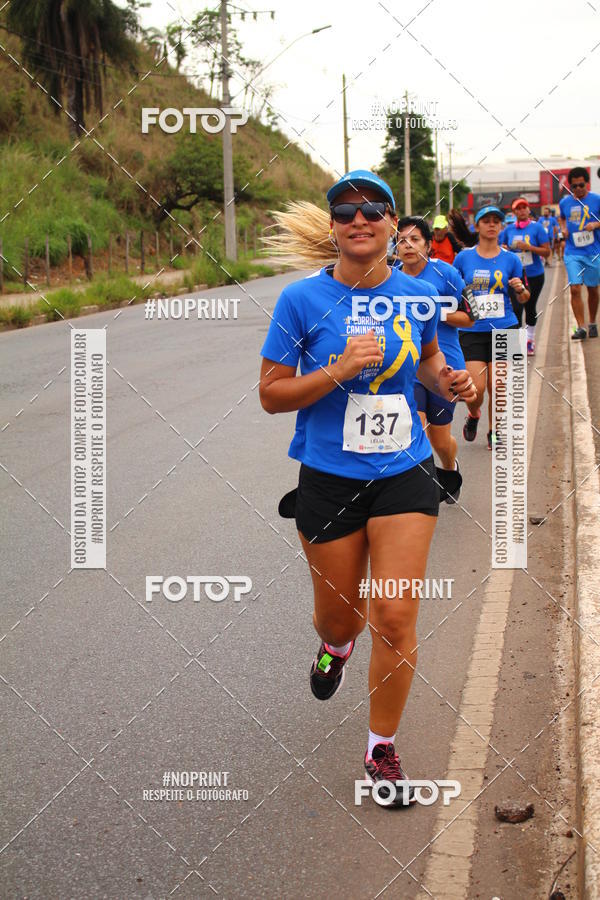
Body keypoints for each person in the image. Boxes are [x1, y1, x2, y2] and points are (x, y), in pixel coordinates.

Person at [259, 170, 476, 807]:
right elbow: (272, 394)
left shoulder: (418, 295)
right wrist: (339, 368)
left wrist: (452, 382)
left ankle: (381, 747)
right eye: (345, 210)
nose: (360, 219)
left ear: (391, 225)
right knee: (343, 615)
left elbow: (429, 363)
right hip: (329, 478)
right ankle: (335, 645)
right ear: (332, 228)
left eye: (373, 209)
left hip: (405, 473)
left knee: (395, 616)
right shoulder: (301, 300)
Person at [393, 216, 476, 501]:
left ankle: (450, 468)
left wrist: (433, 312)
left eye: (414, 239)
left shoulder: (447, 274)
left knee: (440, 440)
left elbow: (471, 317)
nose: (407, 245)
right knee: (414, 428)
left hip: (444, 366)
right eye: (401, 240)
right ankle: (418, 492)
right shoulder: (390, 277)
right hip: (407, 367)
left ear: (428, 245)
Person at [453, 205, 529, 449]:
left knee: (499, 385)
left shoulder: (511, 259)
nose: (492, 224)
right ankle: (473, 414)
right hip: (472, 331)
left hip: (505, 327)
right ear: (477, 226)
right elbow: (453, 291)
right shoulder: (463, 258)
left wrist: (520, 289)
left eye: (496, 220)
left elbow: (525, 297)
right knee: (475, 389)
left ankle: (494, 431)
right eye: (486, 220)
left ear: (501, 226)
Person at [500, 197, 550, 355]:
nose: (522, 211)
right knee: (516, 308)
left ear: (528, 210)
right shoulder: (508, 230)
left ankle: (529, 340)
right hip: (515, 276)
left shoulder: (537, 228)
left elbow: (547, 252)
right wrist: (504, 248)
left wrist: (529, 247)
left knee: (530, 306)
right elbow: (500, 248)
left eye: (524, 207)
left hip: (534, 274)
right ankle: (517, 343)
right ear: (514, 212)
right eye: (518, 208)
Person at [558, 166, 600, 339]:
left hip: (593, 252)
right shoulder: (565, 203)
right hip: (572, 252)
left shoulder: (597, 200)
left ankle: (592, 322)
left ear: (587, 183)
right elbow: (561, 218)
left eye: (581, 185)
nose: (578, 189)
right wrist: (563, 229)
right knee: (575, 289)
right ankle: (581, 327)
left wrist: (595, 225)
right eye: (574, 186)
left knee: (593, 289)